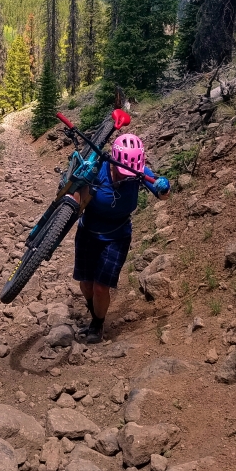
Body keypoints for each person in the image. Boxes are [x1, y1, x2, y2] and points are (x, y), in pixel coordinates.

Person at [71, 133, 170, 344]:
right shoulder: (98, 169)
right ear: (114, 160)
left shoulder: (139, 171)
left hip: (117, 235)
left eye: (129, 173)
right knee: (86, 285)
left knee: (100, 287)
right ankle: (93, 311)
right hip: (88, 231)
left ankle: (97, 324)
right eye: (121, 172)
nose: (126, 177)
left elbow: (162, 195)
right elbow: (76, 190)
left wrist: (164, 187)